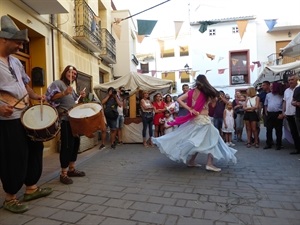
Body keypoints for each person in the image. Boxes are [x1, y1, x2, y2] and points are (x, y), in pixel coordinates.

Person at [0, 15, 52, 213]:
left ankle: (31, 188)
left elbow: (25, 84)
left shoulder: (15, 62)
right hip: (7, 119)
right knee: (14, 156)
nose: (21, 47)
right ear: (4, 39)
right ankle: (10, 197)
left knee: (35, 148)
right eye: (18, 42)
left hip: (25, 114)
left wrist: (35, 97)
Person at [152, 74, 237, 172]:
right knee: (213, 139)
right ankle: (209, 164)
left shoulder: (191, 92)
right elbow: (217, 100)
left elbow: (179, 99)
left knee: (198, 141)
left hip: (196, 118)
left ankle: (192, 161)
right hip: (203, 119)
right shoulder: (206, 92)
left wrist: (189, 109)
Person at [263, 82, 284, 150]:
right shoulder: (268, 95)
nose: (271, 87)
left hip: (278, 113)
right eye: (270, 86)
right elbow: (265, 104)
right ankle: (269, 143)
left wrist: (282, 113)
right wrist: (266, 112)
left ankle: (279, 144)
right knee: (268, 129)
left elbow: (284, 105)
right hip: (270, 113)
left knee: (278, 130)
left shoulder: (281, 95)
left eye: (272, 86)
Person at [283, 74, 300, 154]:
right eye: (289, 80)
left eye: (292, 79)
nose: (290, 81)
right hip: (289, 114)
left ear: (297, 79)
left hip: (297, 114)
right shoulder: (286, 91)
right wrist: (284, 111)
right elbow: (285, 102)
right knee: (293, 132)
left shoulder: (299, 89)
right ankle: (297, 149)